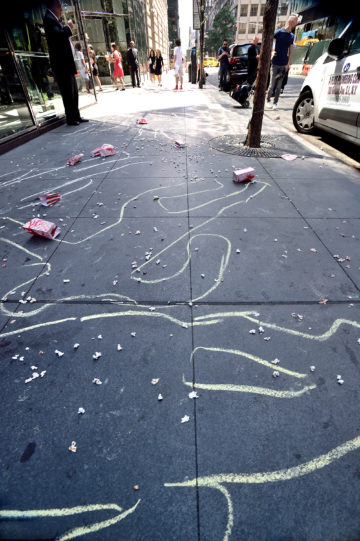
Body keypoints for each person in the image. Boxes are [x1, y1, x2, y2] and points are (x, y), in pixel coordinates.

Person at [43, 0, 88, 126]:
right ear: (55, 6)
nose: (61, 10)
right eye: (60, 7)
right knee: (68, 93)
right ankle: (71, 118)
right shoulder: (48, 19)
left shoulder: (54, 19)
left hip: (67, 63)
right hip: (61, 65)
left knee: (73, 92)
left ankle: (76, 116)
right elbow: (58, 37)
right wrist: (68, 27)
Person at [266, 15, 298, 110]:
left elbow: (291, 51)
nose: (297, 23)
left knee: (279, 86)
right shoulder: (279, 32)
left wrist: (288, 64)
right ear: (292, 21)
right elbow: (269, 40)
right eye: (296, 21)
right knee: (272, 85)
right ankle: (268, 101)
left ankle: (275, 103)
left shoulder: (291, 36)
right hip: (275, 63)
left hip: (284, 64)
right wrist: (272, 50)